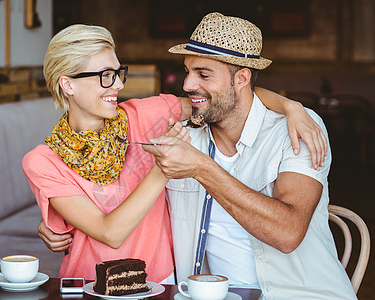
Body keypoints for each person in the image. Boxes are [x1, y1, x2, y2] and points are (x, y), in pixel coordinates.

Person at [30, 22, 328, 286]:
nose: (120, 84)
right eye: (106, 75)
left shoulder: (146, 116)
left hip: (162, 284)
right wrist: (58, 221)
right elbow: (110, 232)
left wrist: (291, 106)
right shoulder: (43, 160)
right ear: (67, 84)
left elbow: (223, 101)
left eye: (118, 73)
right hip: (86, 285)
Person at [142, 13, 356, 299]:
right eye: (187, 71)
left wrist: (202, 168)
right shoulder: (184, 137)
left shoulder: (296, 130)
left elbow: (288, 234)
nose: (188, 84)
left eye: (203, 74)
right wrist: (66, 223)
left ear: (242, 77)